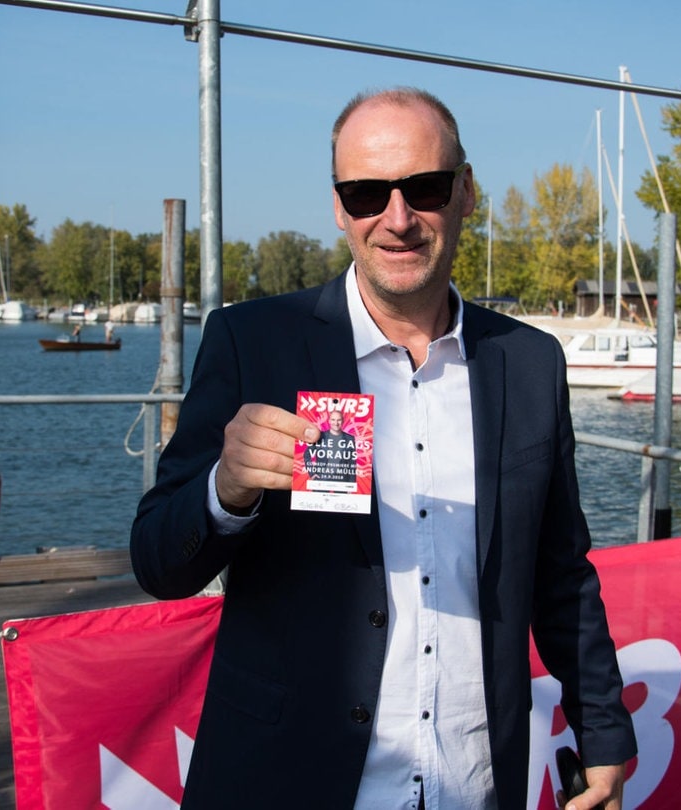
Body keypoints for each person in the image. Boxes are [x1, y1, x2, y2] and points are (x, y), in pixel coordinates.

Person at [131, 87, 636, 810]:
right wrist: (226, 489)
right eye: (368, 194)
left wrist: (604, 733)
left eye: (424, 188)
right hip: (287, 781)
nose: (397, 220)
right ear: (340, 207)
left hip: (472, 782)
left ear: (465, 192)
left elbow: (561, 574)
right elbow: (157, 561)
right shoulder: (253, 345)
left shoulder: (529, 363)